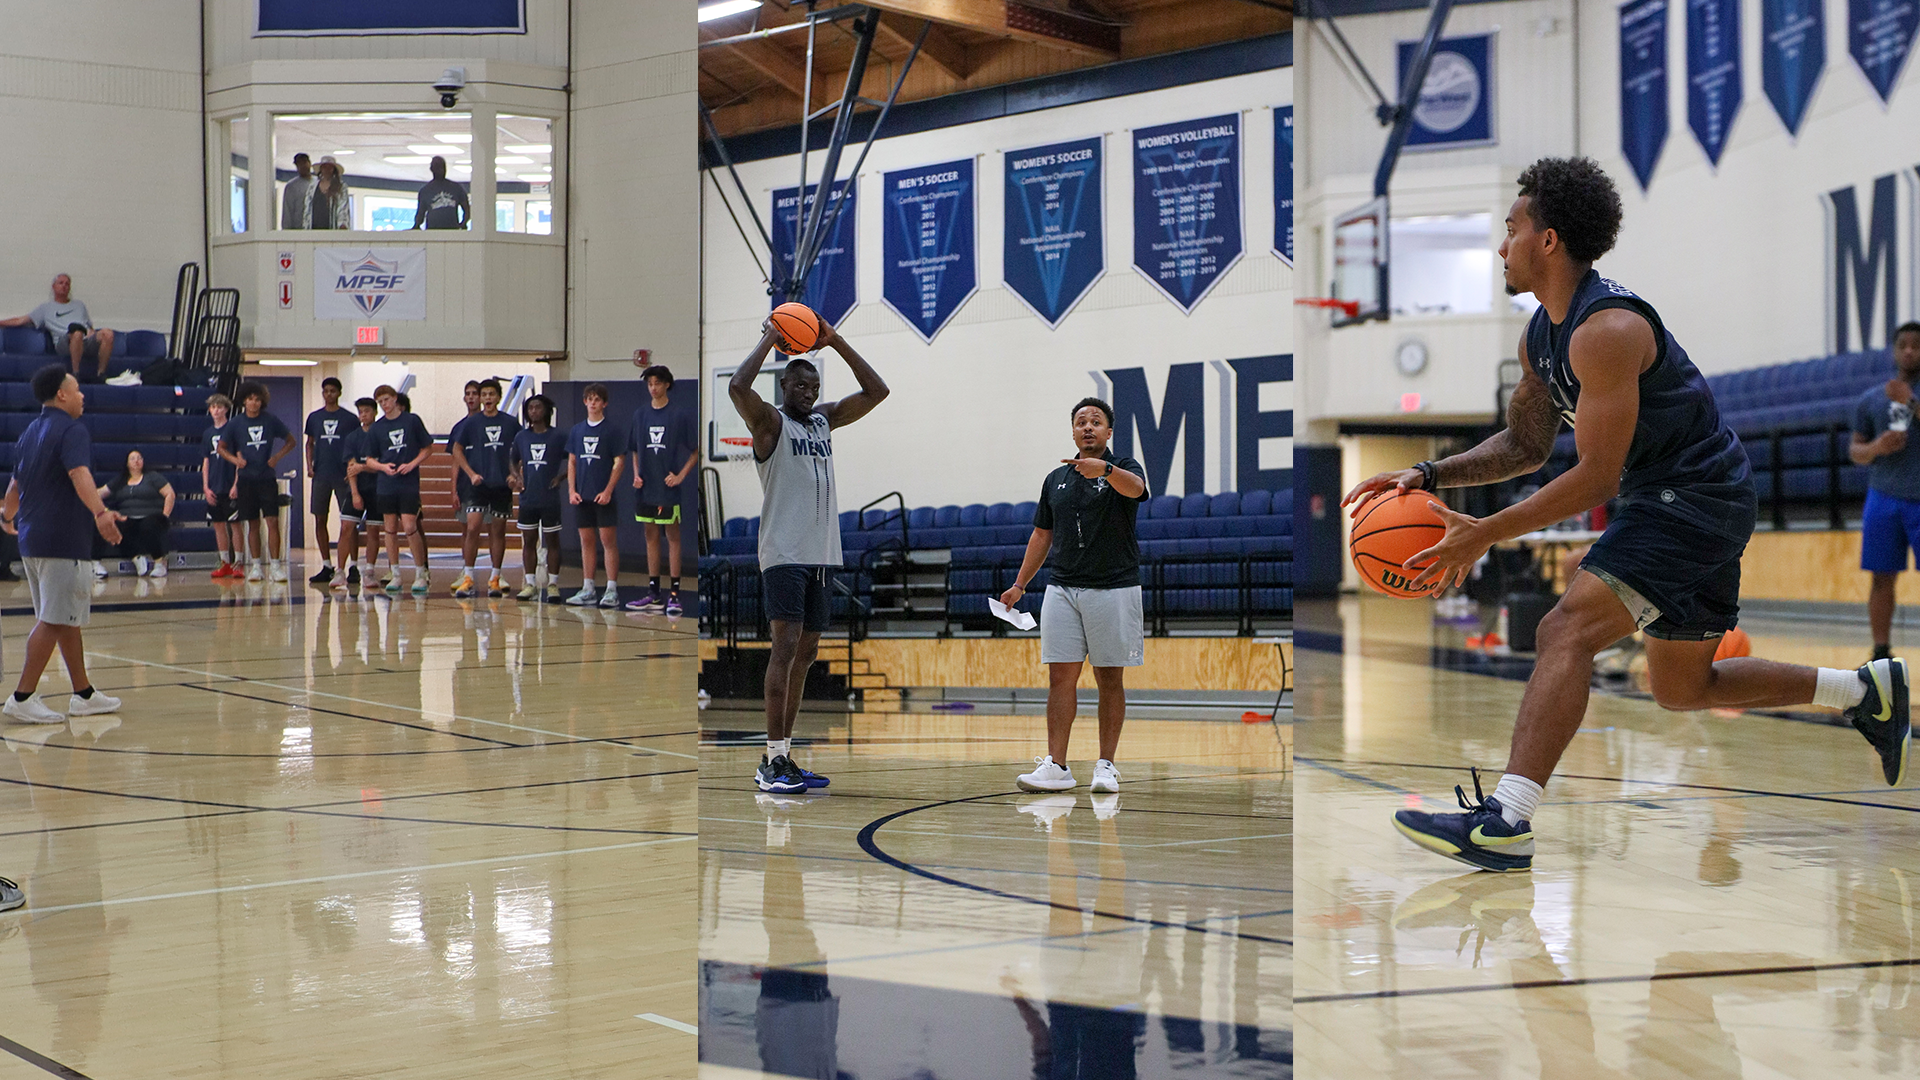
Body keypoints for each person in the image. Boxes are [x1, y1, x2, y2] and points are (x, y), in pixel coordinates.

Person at [1349, 158, 1909, 874]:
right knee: (1683, 689)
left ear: (1548, 240)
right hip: (1675, 497)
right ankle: (1864, 692)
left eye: (1512, 229)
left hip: (1695, 497)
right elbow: (1526, 444)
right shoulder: (1541, 337)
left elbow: (1595, 476)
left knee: (1564, 630)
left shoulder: (1606, 329)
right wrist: (1431, 473)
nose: (1502, 246)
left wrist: (1486, 531)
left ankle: (1505, 822)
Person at [729, 317, 889, 793]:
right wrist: (769, 339)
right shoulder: (769, 422)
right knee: (784, 649)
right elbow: (739, 386)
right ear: (784, 385)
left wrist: (835, 340)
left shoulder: (824, 420)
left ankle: (786, 756)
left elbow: (877, 391)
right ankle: (770, 760)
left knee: (807, 653)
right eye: (801, 384)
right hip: (784, 554)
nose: (809, 392)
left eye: (815, 385)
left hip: (822, 555)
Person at [997, 398, 1149, 794]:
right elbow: (1041, 535)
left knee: (1108, 678)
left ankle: (1106, 765)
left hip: (1113, 586)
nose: (1088, 427)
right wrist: (1019, 584)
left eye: (1096, 422)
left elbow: (1138, 490)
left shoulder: (1125, 469)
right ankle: (1057, 767)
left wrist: (1107, 470)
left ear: (1108, 432)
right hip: (1062, 588)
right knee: (1059, 678)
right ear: (1072, 431)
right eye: (1081, 422)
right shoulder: (1056, 480)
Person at [0, 364, 123, 727]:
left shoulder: (29, 433)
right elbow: (79, 474)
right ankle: (22, 697)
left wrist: (8, 519)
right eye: (78, 389)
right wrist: (101, 513)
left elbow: (14, 488)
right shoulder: (72, 430)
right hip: (62, 540)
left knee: (64, 618)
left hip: (32, 540)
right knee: (55, 620)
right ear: (62, 394)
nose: (83, 395)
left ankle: (83, 694)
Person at [1850, 321, 1920, 663]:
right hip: (1883, 497)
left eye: (1916, 345)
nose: (1909, 350)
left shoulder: (1909, 395)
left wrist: (1911, 402)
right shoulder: (1870, 400)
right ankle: (1880, 652)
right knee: (1881, 578)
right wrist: (1877, 447)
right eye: (1903, 345)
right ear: (1894, 351)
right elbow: (1856, 452)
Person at [626, 364, 698, 617]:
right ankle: (654, 593)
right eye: (650, 384)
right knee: (650, 536)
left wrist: (680, 476)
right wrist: (635, 474)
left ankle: (675, 593)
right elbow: (634, 448)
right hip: (646, 488)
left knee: (673, 537)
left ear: (667, 384)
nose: (653, 388)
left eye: (657, 383)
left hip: (667, 490)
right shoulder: (640, 415)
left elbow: (696, 451)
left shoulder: (678, 415)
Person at [451, 378, 520, 598]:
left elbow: (521, 450)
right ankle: (468, 576)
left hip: (500, 485)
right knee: (472, 527)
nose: (487, 398)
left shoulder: (510, 423)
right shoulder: (471, 423)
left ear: (498, 397)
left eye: (491, 394)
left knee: (498, 530)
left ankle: (495, 578)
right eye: (484, 395)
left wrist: (515, 475)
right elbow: (457, 449)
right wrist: (470, 474)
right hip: (477, 485)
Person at [219, 382, 295, 582]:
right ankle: (255, 566)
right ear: (244, 400)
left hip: (266, 478)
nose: (254, 403)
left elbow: (291, 440)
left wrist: (277, 457)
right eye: (250, 399)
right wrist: (235, 460)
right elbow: (221, 447)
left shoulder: (270, 421)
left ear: (262, 402)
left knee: (272, 521)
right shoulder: (236, 423)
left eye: (257, 399)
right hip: (246, 480)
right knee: (252, 524)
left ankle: (276, 566)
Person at [366, 384, 434, 594]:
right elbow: (369, 459)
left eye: (386, 399)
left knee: (410, 525)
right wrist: (382, 467)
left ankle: (420, 573)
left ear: (395, 399)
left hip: (408, 483)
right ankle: (395, 573)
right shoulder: (377, 428)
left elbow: (428, 448)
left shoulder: (411, 421)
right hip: (387, 484)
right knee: (390, 529)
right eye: (380, 402)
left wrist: (412, 464)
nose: (384, 404)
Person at [566, 383, 625, 608]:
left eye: (597, 399)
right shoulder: (577, 430)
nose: (593, 402)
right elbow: (572, 461)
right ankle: (588, 587)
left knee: (608, 541)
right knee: (586, 541)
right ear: (584, 402)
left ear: (604, 403)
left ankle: (611, 589)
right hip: (583, 496)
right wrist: (572, 490)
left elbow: (619, 462)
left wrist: (608, 490)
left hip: (603, 495)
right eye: (589, 398)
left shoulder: (612, 430)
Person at [0, 274, 114, 383]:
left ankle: (101, 374)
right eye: (61, 283)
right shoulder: (45, 308)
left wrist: (91, 333)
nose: (64, 286)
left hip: (84, 340)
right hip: (64, 342)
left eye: (67, 284)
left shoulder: (79, 305)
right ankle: (76, 374)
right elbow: (21, 320)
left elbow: (89, 326)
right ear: (54, 286)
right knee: (76, 333)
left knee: (107, 333)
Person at [511, 393, 567, 602]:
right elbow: (513, 459)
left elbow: (574, 459)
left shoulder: (558, 436)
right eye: (530, 408)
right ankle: (530, 584)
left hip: (550, 498)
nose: (533, 411)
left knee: (552, 541)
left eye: (537, 407)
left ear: (546, 411)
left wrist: (562, 477)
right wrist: (517, 477)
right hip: (528, 498)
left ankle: (552, 584)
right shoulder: (521, 437)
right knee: (529, 541)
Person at [304, 376, 354, 585]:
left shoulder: (350, 419)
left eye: (333, 391)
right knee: (319, 518)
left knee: (350, 521)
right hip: (321, 475)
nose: (329, 394)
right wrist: (309, 466)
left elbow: (355, 445)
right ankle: (326, 564)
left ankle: (353, 566)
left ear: (339, 393)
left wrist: (352, 470)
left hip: (342, 475)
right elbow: (310, 443)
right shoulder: (314, 418)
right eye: (326, 391)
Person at [334, 396, 382, 590]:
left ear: (375, 412)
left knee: (373, 530)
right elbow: (351, 467)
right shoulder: (353, 437)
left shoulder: (380, 434)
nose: (363, 415)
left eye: (367, 411)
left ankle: (369, 571)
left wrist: (364, 467)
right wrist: (354, 493)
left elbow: (381, 466)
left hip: (377, 488)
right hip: (358, 488)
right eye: (360, 412)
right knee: (346, 527)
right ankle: (339, 571)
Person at [103, 450, 174, 577]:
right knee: (116, 527)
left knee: (148, 527)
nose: (136, 461)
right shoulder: (120, 480)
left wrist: (165, 516)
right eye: (133, 458)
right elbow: (101, 492)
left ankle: (159, 563)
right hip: (128, 516)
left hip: (151, 515)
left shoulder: (153, 477)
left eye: (139, 458)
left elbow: (170, 494)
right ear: (127, 463)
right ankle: (137, 558)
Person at [200, 393, 240, 578]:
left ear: (226, 409)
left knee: (235, 524)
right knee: (218, 524)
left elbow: (240, 459)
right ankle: (224, 562)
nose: (216, 410)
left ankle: (238, 564)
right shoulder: (208, 433)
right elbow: (206, 461)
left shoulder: (232, 430)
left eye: (219, 407)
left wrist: (236, 484)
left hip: (229, 483)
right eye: (213, 407)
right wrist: (206, 487)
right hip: (214, 485)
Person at [413, 156, 470, 230]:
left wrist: (463, 224)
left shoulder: (456, 188)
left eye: (442, 167)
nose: (441, 170)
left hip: (452, 232)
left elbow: (466, 209)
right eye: (438, 167)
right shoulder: (425, 191)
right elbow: (420, 214)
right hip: (432, 233)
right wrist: (416, 226)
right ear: (432, 169)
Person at [306, 159, 350, 230]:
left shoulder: (341, 187)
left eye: (330, 167)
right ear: (321, 169)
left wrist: (342, 225)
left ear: (334, 170)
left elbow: (343, 209)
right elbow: (307, 209)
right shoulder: (312, 187)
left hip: (332, 230)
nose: (327, 170)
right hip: (313, 230)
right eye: (324, 167)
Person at [281, 152, 314, 230]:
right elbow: (288, 210)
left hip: (317, 228)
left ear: (309, 163)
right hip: (299, 229)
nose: (302, 166)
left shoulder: (319, 182)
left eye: (304, 162)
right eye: (299, 164)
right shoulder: (292, 186)